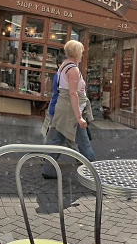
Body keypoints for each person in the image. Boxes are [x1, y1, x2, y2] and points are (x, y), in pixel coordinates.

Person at [41, 40, 96, 179]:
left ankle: (48, 168)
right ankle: (94, 171)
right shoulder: (73, 69)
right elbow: (73, 93)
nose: (83, 54)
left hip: (64, 108)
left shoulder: (64, 66)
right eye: (81, 51)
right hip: (70, 110)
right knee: (83, 141)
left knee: (59, 138)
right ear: (77, 52)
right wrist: (79, 117)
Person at [41, 54, 65, 138]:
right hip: (57, 108)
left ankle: (47, 148)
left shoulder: (58, 75)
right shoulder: (60, 76)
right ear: (59, 65)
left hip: (55, 107)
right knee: (54, 135)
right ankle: (47, 149)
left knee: (53, 134)